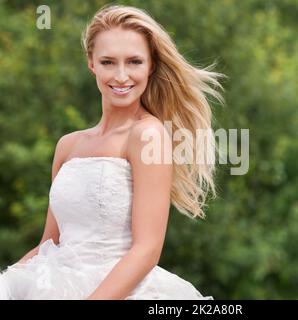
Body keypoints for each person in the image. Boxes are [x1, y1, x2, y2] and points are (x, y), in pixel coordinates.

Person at [0, 4, 224, 299]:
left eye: (134, 62)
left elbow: (147, 249)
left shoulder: (147, 135)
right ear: (91, 62)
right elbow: (50, 244)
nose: (121, 76)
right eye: (108, 62)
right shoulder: (68, 146)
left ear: (151, 65)